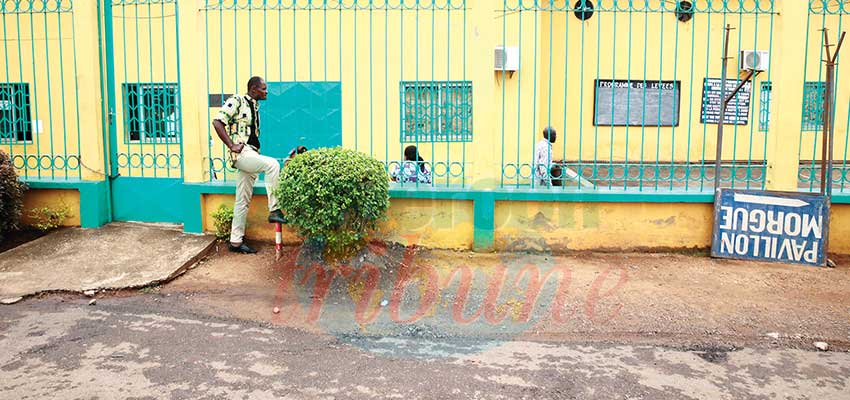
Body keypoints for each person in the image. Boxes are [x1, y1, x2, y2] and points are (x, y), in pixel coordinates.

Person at [212, 76, 286, 254]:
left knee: (242, 200)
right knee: (273, 165)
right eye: (263, 88)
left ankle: (235, 242)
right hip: (242, 153)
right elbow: (217, 121)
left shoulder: (255, 106)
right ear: (253, 89)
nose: (266, 91)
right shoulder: (237, 100)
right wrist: (231, 145)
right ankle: (274, 209)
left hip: (252, 153)